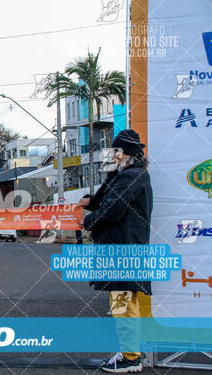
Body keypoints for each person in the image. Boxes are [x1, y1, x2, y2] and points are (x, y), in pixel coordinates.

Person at [78, 130, 153, 374]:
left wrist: (88, 221)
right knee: (125, 302)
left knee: (123, 302)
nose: (113, 155)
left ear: (125, 153)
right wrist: (89, 202)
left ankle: (130, 358)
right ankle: (132, 352)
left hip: (124, 251)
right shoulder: (128, 175)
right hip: (124, 249)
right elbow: (103, 200)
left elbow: (113, 210)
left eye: (116, 152)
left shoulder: (131, 176)